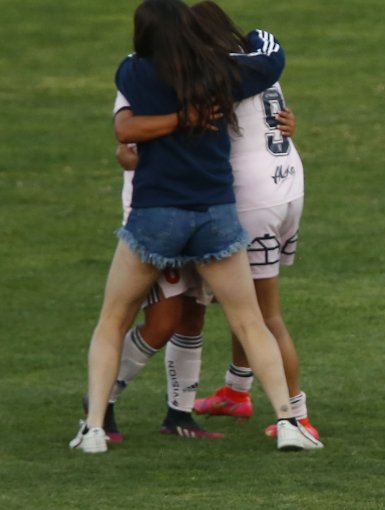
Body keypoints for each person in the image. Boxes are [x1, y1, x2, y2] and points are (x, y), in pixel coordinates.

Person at [69, 0, 309, 454]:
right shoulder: (221, 74)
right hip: (217, 213)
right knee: (250, 320)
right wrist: (255, 38)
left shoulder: (133, 72)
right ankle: (289, 421)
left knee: (113, 319)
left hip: (156, 215)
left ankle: (95, 427)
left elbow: (126, 131)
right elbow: (270, 59)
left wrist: (172, 121)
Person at [181, 0, 321, 444]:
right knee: (246, 298)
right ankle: (236, 389)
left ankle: (296, 415)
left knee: (264, 313)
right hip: (288, 185)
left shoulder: (212, 76)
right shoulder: (260, 64)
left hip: (253, 197)